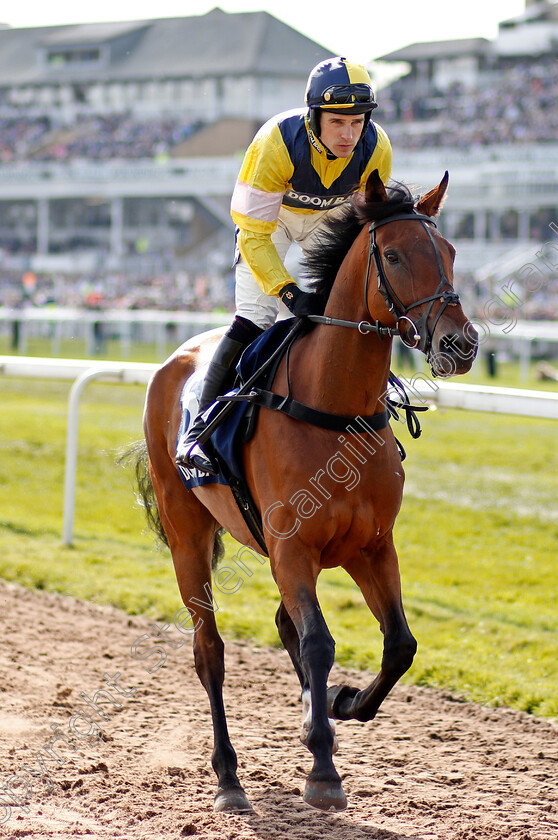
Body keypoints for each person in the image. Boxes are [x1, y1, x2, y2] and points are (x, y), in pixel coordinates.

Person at [176, 56, 392, 474]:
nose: (349, 135)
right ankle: (198, 432)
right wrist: (288, 292)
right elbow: (253, 233)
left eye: (357, 122)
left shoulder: (377, 146)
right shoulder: (275, 141)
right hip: (269, 222)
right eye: (337, 122)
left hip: (330, 220)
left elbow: (366, 224)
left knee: (342, 313)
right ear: (313, 117)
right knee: (257, 316)